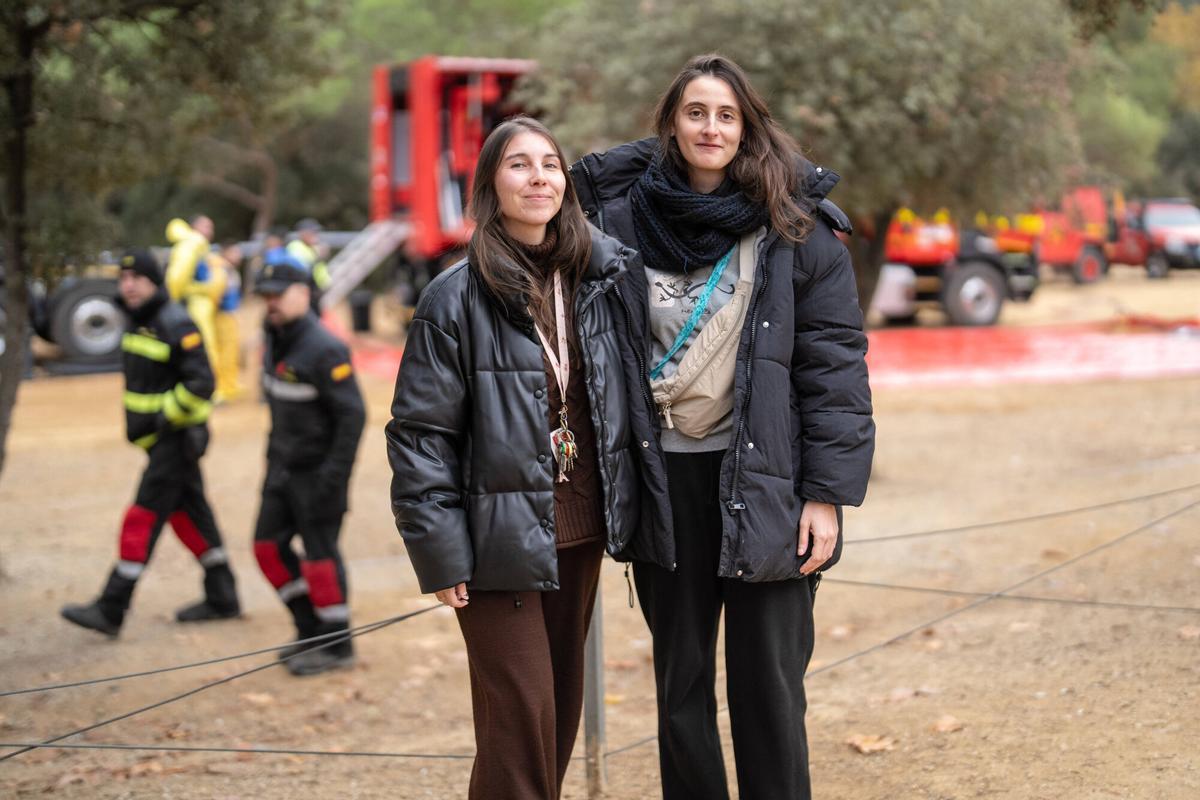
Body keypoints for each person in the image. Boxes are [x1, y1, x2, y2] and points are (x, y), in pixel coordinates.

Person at [571, 54, 875, 799]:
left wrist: (826, 497)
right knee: (681, 689)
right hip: (663, 482)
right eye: (696, 112)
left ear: (748, 128)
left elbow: (835, 371)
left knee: (768, 689)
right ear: (671, 124)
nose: (711, 127)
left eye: (726, 114)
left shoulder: (797, 229)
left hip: (768, 482)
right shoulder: (612, 225)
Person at [386, 116, 643, 800]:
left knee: (553, 718)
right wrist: (439, 552)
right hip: (493, 537)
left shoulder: (600, 277)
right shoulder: (453, 296)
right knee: (520, 717)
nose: (538, 178)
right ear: (490, 186)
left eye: (551, 164)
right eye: (519, 165)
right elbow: (420, 435)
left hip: (578, 526)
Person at [61, 250, 241, 637]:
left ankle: (112, 606)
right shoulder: (138, 320)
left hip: (175, 441)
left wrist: (164, 417)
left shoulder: (175, 322)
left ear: (154, 282)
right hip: (159, 441)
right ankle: (223, 594)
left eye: (137, 278)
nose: (128, 285)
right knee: (190, 514)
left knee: (141, 517)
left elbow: (202, 384)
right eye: (123, 278)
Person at [252, 259, 366, 676]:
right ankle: (310, 627)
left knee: (320, 555)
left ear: (303, 292)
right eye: (265, 297)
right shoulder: (275, 337)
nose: (270, 304)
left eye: (277, 295)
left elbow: (353, 417)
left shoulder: (326, 348)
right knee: (266, 547)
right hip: (281, 471)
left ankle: (337, 645)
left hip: (318, 475)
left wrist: (333, 478)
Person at [165, 215, 225, 368]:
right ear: (194, 227)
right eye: (206, 226)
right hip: (195, 304)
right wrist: (174, 300)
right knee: (203, 345)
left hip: (199, 302)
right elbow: (177, 277)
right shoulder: (193, 243)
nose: (210, 231)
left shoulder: (196, 244)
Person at [211, 242, 246, 402]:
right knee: (224, 351)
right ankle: (221, 387)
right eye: (234, 252)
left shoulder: (230, 270)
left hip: (230, 315)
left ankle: (230, 384)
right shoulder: (220, 269)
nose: (238, 256)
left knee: (231, 351)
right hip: (222, 316)